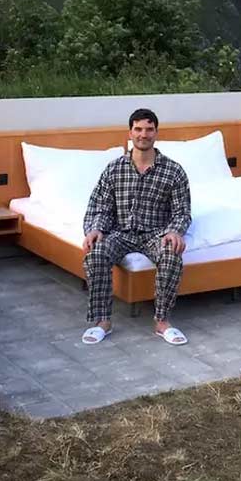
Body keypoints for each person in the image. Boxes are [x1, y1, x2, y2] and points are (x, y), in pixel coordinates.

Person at [80, 108, 192, 345]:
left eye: (149, 129)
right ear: (130, 133)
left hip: (156, 234)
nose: (144, 134)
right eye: (138, 129)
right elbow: (100, 207)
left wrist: (175, 231)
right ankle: (102, 322)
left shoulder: (173, 171)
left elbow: (182, 211)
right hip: (120, 233)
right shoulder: (114, 169)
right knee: (96, 252)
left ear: (156, 133)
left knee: (171, 255)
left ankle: (162, 321)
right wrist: (96, 229)